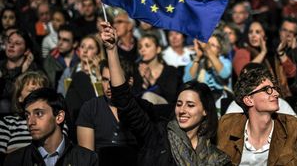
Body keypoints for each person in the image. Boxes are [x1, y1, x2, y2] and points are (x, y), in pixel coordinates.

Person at [100, 21, 231, 165]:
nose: (182, 110)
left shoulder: (217, 159)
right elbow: (124, 100)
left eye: (190, 105)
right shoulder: (156, 136)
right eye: (179, 104)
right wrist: (112, 50)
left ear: (205, 110)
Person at [4, 87, 98, 166]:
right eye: (27, 115)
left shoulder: (87, 160)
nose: (30, 122)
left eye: (39, 113)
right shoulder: (15, 160)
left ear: (59, 117)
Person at [76, 60, 137, 163]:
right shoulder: (90, 108)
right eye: (105, 80)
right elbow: (86, 158)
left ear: (130, 82)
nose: (108, 86)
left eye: (113, 80)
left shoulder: (140, 108)